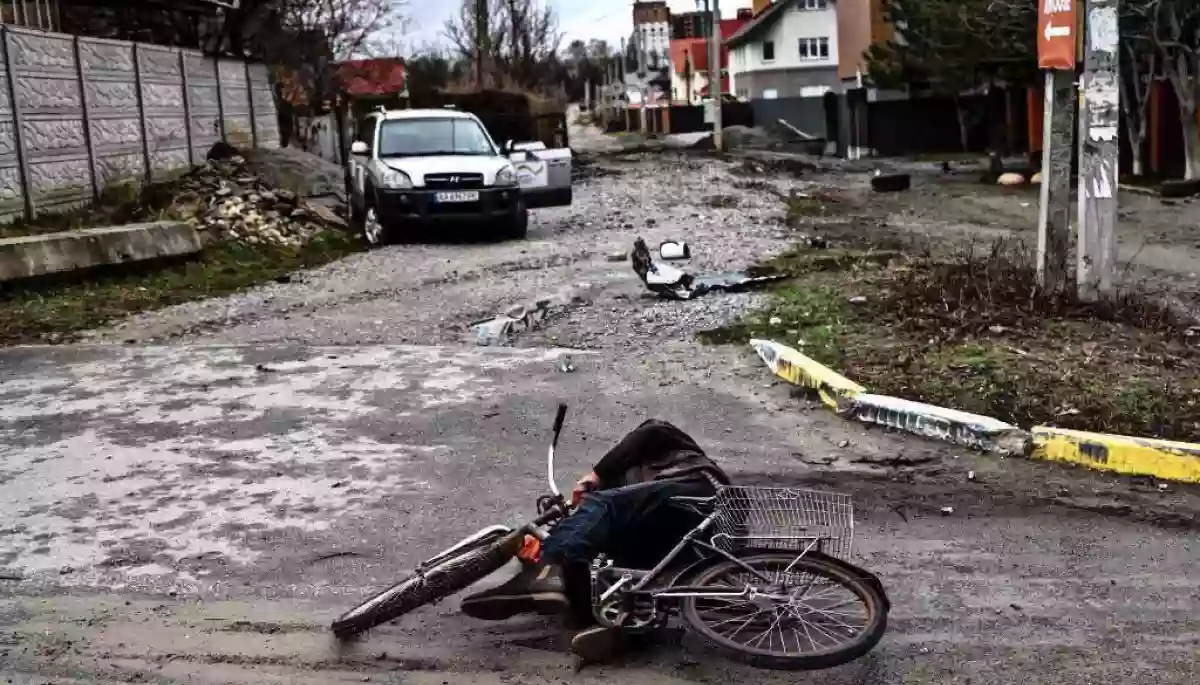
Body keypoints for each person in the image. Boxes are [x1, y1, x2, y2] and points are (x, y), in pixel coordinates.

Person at [461, 419, 730, 661]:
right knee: (606, 567)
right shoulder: (631, 496)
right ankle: (616, 625)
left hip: (696, 495)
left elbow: (653, 430)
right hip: (673, 536)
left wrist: (595, 475)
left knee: (601, 505)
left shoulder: (666, 447)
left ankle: (548, 570)